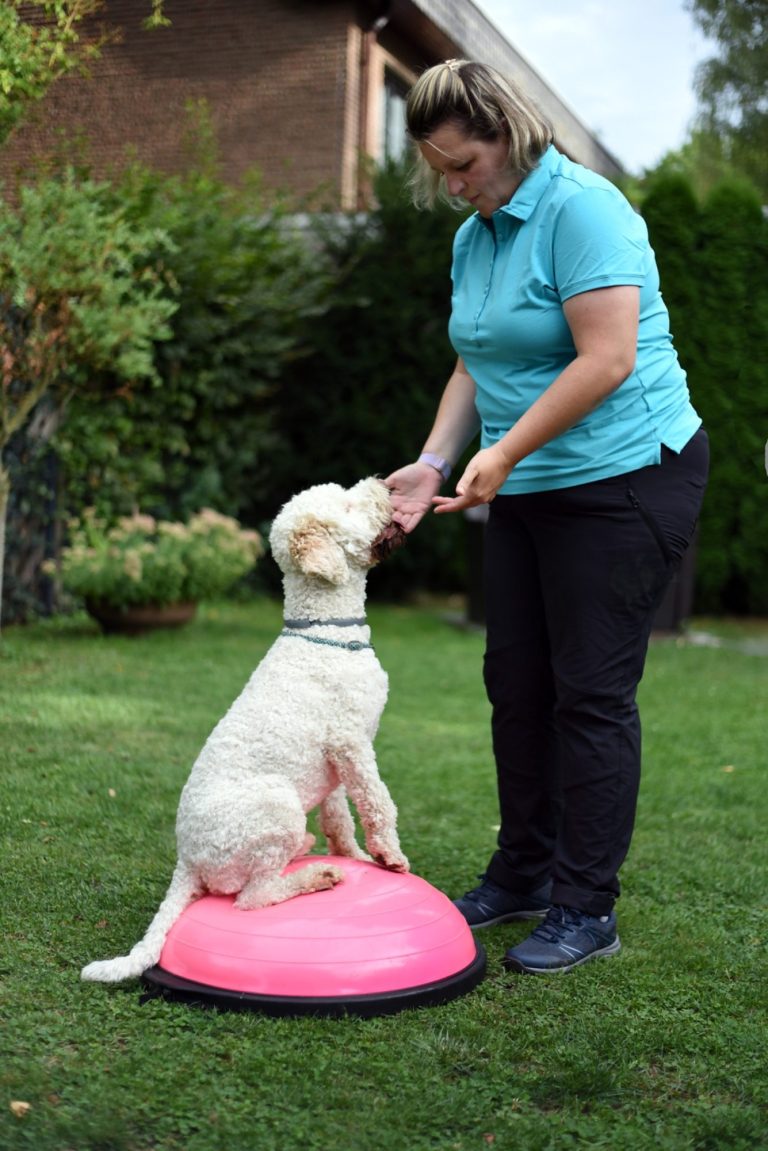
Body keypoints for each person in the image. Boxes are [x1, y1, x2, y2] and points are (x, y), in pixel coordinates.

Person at [385, 59, 709, 975]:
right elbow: (474, 361)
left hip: (629, 477)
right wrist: (437, 460)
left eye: (463, 165)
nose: (452, 186)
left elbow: (605, 359)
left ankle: (585, 906)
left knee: (590, 696)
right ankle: (524, 871)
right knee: (515, 682)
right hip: (527, 482)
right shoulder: (475, 235)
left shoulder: (586, 210)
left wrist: (507, 450)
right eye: (439, 169)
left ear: (509, 135)